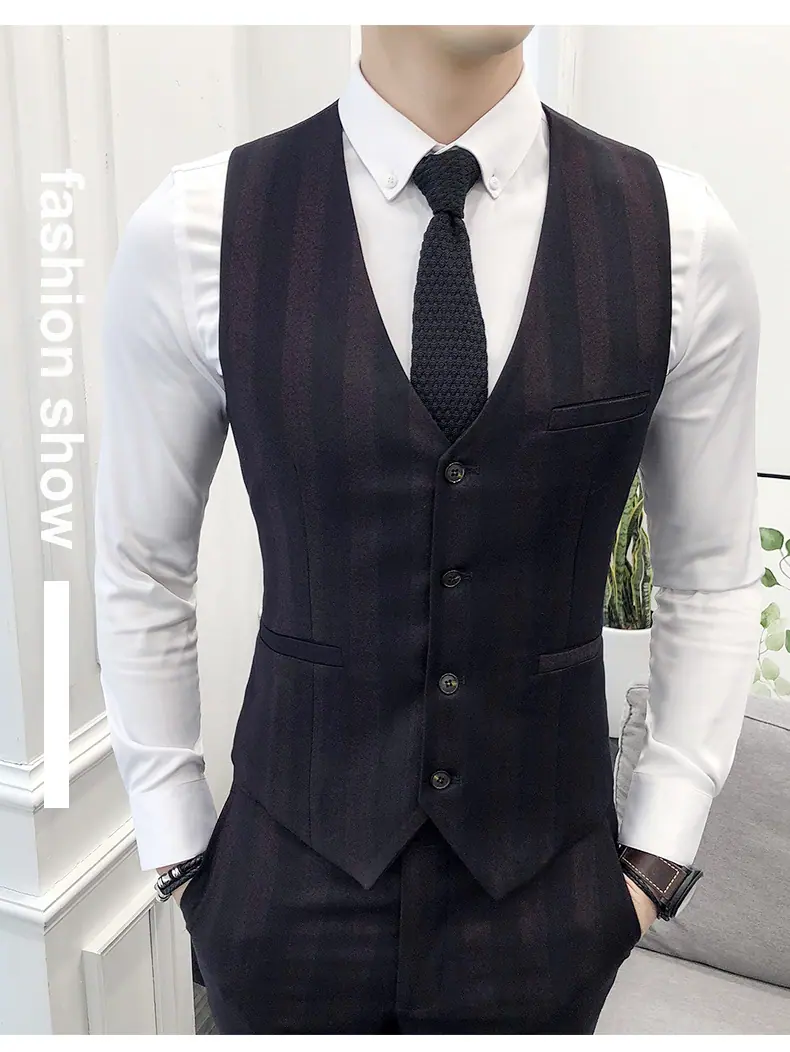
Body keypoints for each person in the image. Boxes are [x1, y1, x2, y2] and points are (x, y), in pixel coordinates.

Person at [95, 24, 763, 1034]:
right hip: (283, 889)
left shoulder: (678, 235)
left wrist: (652, 863)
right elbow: (141, 565)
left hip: (547, 899)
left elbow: (710, 577)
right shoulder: (198, 226)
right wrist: (178, 850)